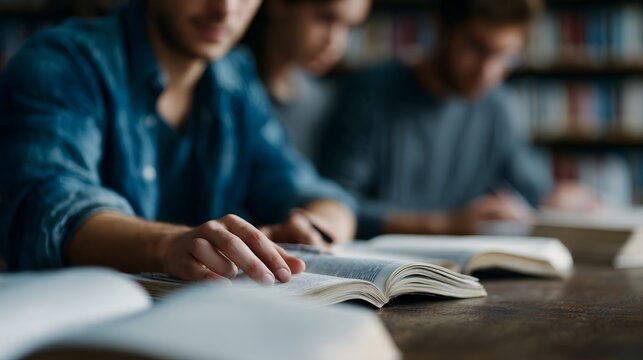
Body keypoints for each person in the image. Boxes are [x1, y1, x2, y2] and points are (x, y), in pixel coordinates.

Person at [0, 0, 358, 284]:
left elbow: (315, 192)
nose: (225, 9)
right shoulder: (62, 63)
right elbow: (49, 208)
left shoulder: (236, 79)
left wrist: (314, 228)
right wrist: (169, 245)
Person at [320, 0, 597, 239]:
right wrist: (446, 224)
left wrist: (561, 199)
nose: (487, 72)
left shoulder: (497, 105)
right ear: (441, 29)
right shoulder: (371, 91)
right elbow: (335, 204)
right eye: (476, 49)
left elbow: (533, 186)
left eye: (505, 56)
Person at [243, 0, 370, 163]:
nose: (336, 43)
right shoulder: (227, 88)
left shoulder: (324, 104)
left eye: (350, 28)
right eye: (325, 18)